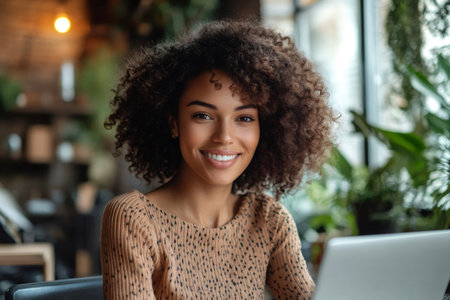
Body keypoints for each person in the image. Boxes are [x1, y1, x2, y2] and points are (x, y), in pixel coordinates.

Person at [100, 20, 334, 300]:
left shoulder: (268, 220)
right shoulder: (134, 219)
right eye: (203, 115)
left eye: (244, 118)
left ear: (266, 130)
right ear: (174, 122)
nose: (224, 136)